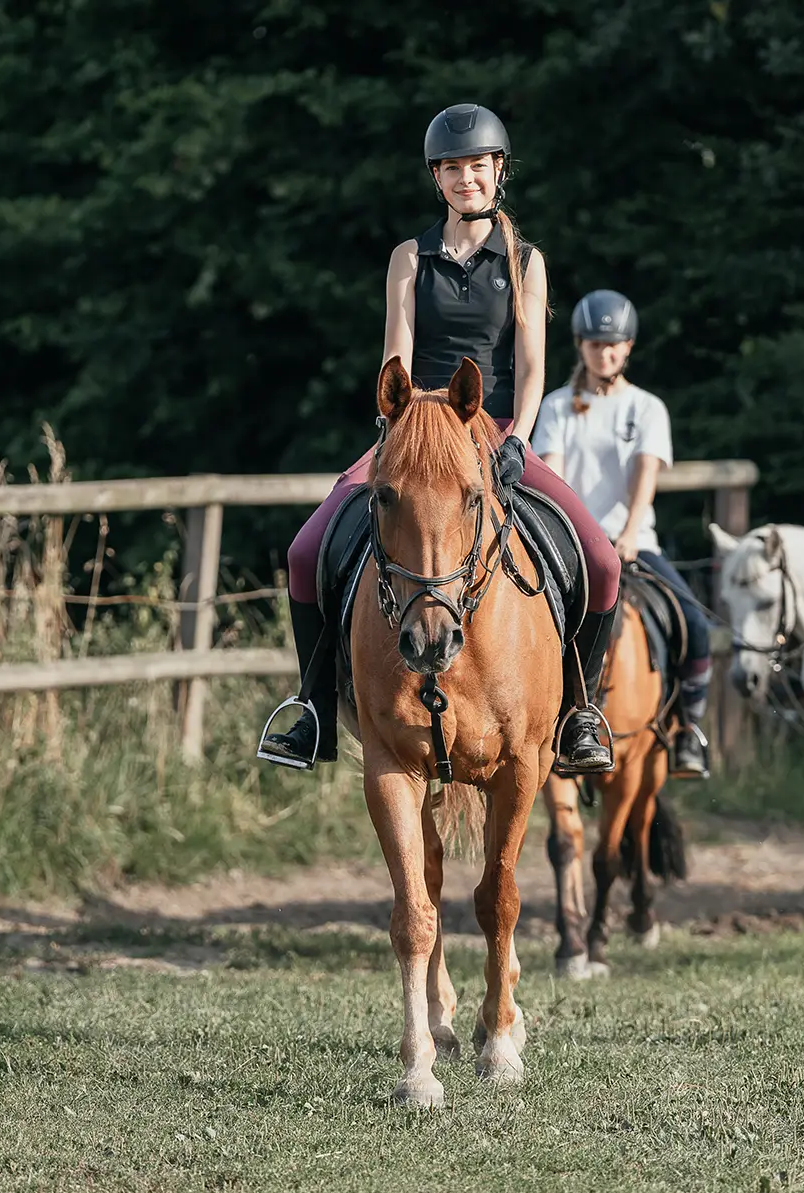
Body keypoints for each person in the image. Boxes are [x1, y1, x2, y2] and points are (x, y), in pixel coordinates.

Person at [258, 104, 621, 774]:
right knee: (307, 550)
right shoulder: (409, 258)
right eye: (453, 168)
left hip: (498, 428)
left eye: (477, 166)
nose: (466, 178)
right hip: (413, 428)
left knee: (601, 562)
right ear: (437, 178)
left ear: (497, 172)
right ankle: (311, 712)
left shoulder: (524, 259)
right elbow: (395, 357)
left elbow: (536, 367)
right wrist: (400, 427)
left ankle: (580, 712)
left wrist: (519, 439)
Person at [532, 290, 714, 778]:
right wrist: (572, 538)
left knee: (693, 623)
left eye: (613, 344)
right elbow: (554, 478)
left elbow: (644, 476)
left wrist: (630, 533)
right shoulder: (556, 408)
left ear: (628, 346)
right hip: (573, 546)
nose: (604, 352)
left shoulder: (647, 408)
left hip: (633, 543)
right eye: (594, 344)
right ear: (580, 346)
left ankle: (688, 730)